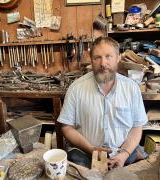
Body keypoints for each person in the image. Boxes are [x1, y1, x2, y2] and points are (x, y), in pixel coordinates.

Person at [57, 37, 148, 169]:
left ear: (118, 58)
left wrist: (124, 154)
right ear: (91, 60)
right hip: (85, 154)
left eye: (108, 56)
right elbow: (67, 127)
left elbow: (136, 127)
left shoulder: (131, 88)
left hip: (122, 153)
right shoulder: (76, 88)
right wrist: (92, 150)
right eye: (97, 57)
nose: (103, 63)